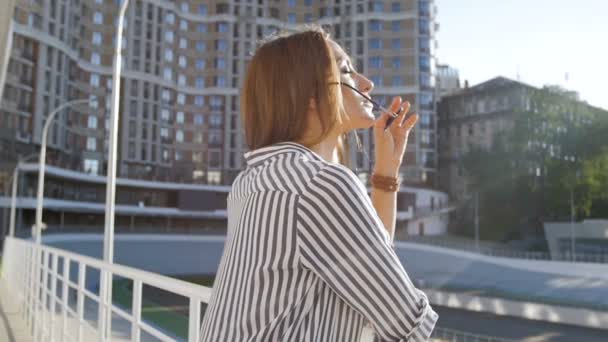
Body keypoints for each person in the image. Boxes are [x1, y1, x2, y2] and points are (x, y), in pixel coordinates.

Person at [199, 25, 438, 342]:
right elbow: (406, 323)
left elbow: (369, 262)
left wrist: (386, 172)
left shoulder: (252, 180)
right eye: (346, 71)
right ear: (311, 95)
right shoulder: (321, 184)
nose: (367, 83)